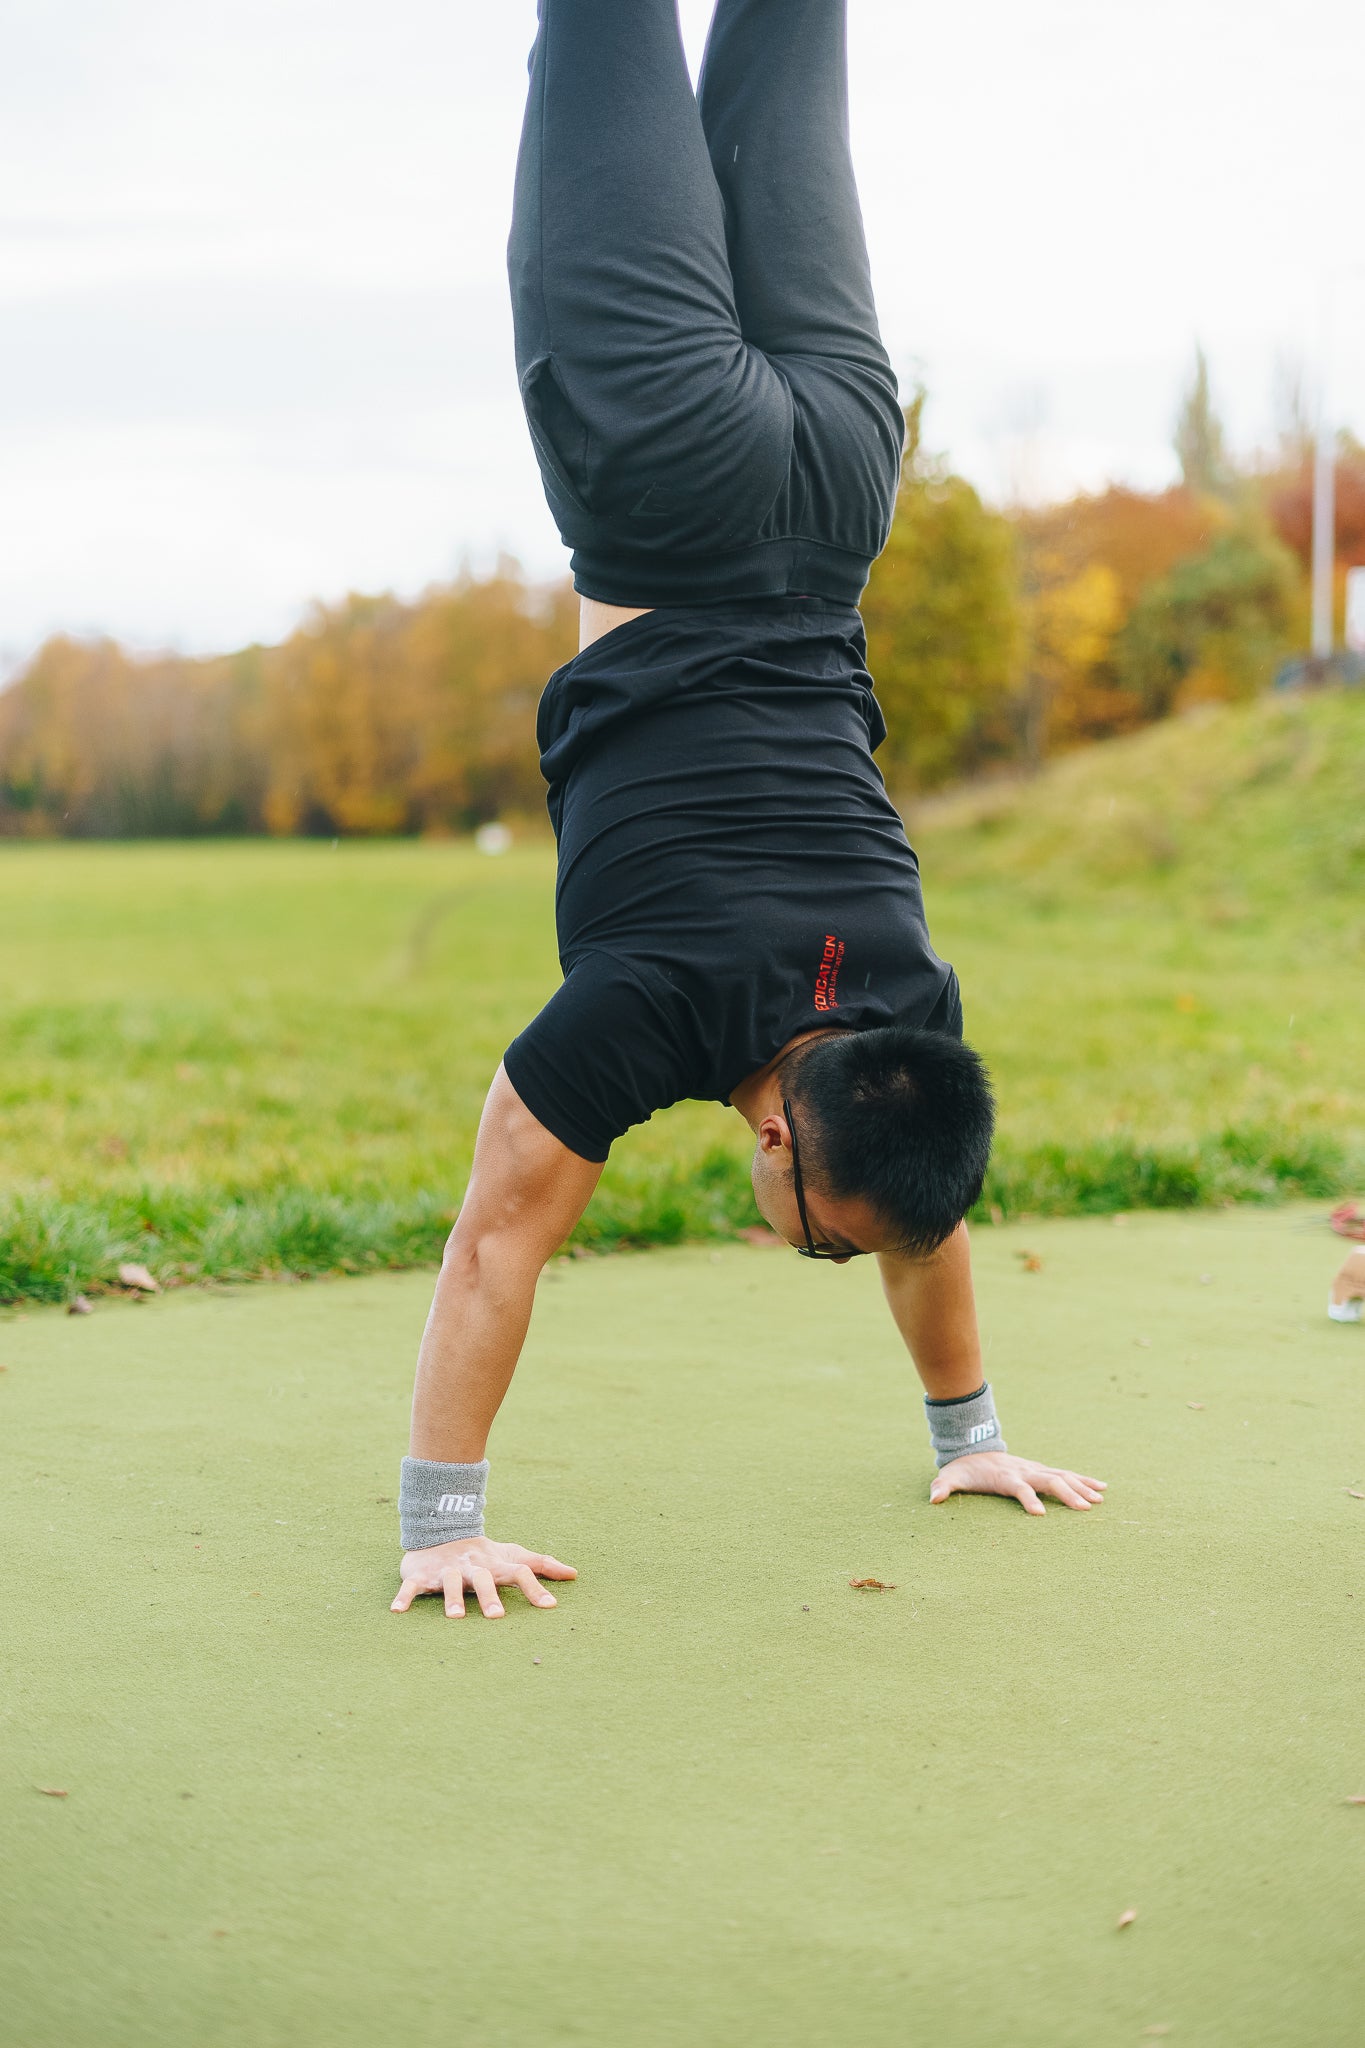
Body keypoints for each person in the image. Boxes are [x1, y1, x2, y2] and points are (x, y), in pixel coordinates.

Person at [392, 0, 1105, 1622]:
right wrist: (442, 1527)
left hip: (848, 478)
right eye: (816, 1242)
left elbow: (920, 1217)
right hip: (661, 470)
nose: (831, 1253)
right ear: (775, 1141)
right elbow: (497, 1237)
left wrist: (969, 1433)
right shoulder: (646, 1014)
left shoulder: (912, 1023)